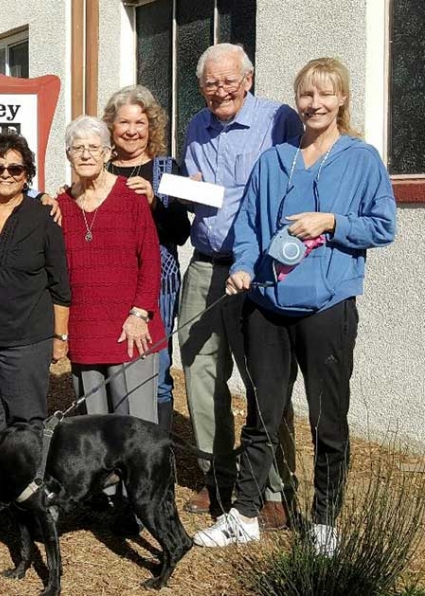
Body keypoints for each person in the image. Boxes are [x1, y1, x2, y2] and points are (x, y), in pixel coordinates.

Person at [194, 57, 396, 554]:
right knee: (263, 414)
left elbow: (383, 225)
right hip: (267, 303)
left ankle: (325, 523)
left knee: (328, 418)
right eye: (307, 95)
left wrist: (331, 222)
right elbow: (247, 228)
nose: (315, 104)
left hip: (327, 307)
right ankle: (244, 515)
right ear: (297, 100)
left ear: (342, 99)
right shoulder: (274, 159)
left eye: (326, 95)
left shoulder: (361, 158)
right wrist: (243, 264)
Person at [179, 43, 303, 525]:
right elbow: (201, 192)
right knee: (199, 370)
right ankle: (219, 479)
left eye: (229, 80)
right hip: (207, 262)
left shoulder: (281, 121)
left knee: (264, 378)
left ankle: (274, 488)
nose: (220, 90)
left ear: (248, 79)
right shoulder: (195, 125)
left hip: (262, 267)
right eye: (211, 83)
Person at [0, 131, 70, 450]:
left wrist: (59, 337)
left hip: (26, 339)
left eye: (15, 169)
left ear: (27, 176)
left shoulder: (44, 215)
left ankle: (27, 493)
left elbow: (59, 283)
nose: (6, 174)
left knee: (26, 421)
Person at [57, 115, 164, 426]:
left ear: (107, 153)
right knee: (93, 434)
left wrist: (140, 313)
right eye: (78, 148)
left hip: (132, 330)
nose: (86, 154)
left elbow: (151, 259)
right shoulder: (59, 205)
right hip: (85, 332)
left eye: (94, 147)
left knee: (136, 431)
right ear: (68, 155)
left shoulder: (130, 197)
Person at [102, 85, 191, 431]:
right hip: (109, 284)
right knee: (112, 361)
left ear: (151, 127)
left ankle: (156, 456)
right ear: (111, 127)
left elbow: (180, 233)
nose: (132, 130)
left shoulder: (168, 169)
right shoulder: (100, 167)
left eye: (140, 123)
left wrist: (155, 202)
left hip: (158, 284)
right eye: (124, 122)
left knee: (156, 365)